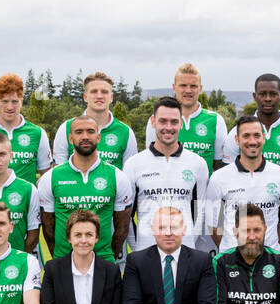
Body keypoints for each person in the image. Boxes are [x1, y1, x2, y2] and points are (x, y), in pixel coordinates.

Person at [38, 114, 134, 261]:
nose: (85, 136)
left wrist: (106, 259)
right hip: (63, 261)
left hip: (103, 261)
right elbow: (48, 229)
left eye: (90, 131)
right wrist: (61, 258)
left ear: (99, 137)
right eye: (79, 132)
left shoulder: (117, 177)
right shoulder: (51, 178)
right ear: (70, 139)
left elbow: (122, 229)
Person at [123, 97, 208, 252]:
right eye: (163, 121)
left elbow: (200, 210)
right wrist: (138, 250)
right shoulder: (133, 164)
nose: (168, 127)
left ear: (181, 123)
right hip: (146, 253)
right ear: (153, 122)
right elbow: (126, 216)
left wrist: (187, 244)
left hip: (185, 253)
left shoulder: (198, 164)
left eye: (174, 122)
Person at [206, 114, 280, 254]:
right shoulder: (218, 177)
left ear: (264, 138)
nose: (252, 141)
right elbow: (214, 225)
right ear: (236, 140)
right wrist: (230, 251)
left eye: (257, 135)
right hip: (231, 260)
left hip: (269, 258)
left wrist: (272, 252)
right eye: (246, 136)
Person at [144, 63, 228, 176]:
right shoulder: (157, 121)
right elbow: (151, 159)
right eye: (183, 85)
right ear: (174, 87)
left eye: (193, 86)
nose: (188, 90)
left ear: (200, 89)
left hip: (202, 192)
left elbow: (218, 165)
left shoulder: (216, 120)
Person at [0, 73, 52, 182]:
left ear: (21, 101)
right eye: (4, 101)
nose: (10, 107)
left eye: (15, 101)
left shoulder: (38, 133)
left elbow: (46, 176)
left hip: (25, 199)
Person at [223, 74, 280, 177]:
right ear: (255, 96)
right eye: (262, 94)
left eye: (273, 94)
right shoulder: (237, 132)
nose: (268, 99)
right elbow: (227, 175)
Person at [54, 71, 139, 169]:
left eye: (104, 92)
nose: (99, 96)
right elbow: (59, 172)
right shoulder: (66, 128)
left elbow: (130, 174)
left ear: (111, 97)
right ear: (85, 97)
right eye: (94, 91)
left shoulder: (125, 132)